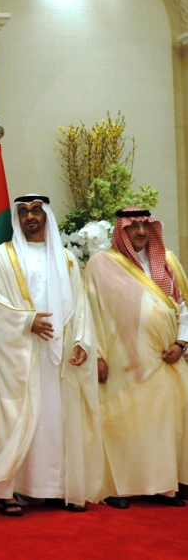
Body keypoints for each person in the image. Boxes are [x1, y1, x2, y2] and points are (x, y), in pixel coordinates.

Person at [0, 195, 102, 515]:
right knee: (14, 419)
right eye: (23, 212)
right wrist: (26, 321)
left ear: (47, 215)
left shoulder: (67, 260)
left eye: (36, 211)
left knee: (56, 421)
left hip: (57, 358)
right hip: (18, 358)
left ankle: (57, 488)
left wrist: (82, 342)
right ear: (17, 219)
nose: (30, 217)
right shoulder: (2, 257)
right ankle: (8, 490)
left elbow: (80, 306)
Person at [85, 207, 188, 509]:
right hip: (121, 361)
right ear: (122, 231)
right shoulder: (101, 264)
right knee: (123, 423)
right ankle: (116, 487)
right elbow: (89, 312)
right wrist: (97, 356)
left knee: (162, 424)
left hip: (166, 359)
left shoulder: (168, 261)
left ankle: (162, 486)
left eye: (145, 226)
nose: (141, 232)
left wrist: (182, 343)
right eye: (134, 227)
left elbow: (183, 309)